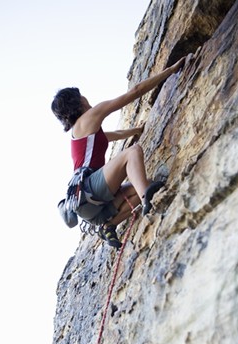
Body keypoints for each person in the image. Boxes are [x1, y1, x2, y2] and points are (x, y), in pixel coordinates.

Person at [52, 56, 187, 249]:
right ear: (78, 101)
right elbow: (135, 92)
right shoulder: (89, 117)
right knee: (132, 152)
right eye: (81, 95)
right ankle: (146, 200)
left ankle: (109, 225)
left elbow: (111, 135)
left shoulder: (81, 133)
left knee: (144, 183)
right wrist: (170, 71)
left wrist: (135, 131)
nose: (84, 97)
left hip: (91, 208)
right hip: (90, 189)